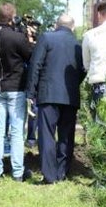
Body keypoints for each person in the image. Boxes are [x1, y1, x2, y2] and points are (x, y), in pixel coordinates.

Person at [26, 14, 85, 184]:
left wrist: (31, 93)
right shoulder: (78, 45)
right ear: (72, 27)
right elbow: (83, 70)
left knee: (47, 135)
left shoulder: (46, 37)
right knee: (66, 136)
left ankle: (49, 175)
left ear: (56, 25)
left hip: (48, 94)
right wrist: (73, 84)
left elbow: (35, 65)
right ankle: (61, 172)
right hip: (70, 96)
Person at [0, 2, 34, 181]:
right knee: (16, 131)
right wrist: (27, 38)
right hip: (15, 87)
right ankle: (17, 172)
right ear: (13, 16)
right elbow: (30, 55)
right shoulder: (16, 37)